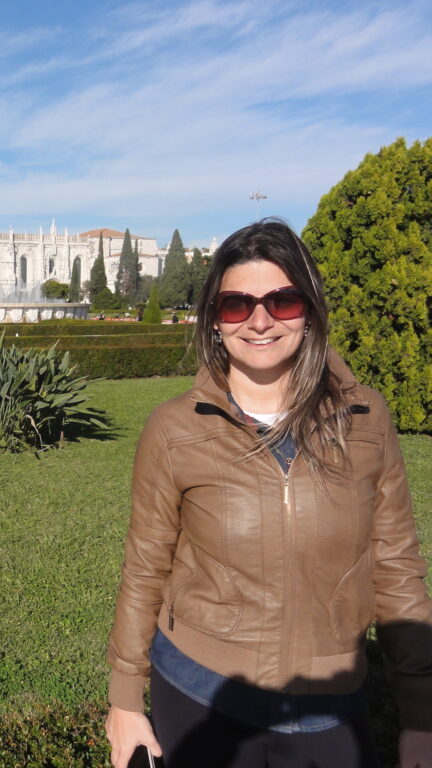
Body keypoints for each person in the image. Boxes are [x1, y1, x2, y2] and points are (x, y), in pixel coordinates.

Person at [104, 219, 432, 767]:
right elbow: (145, 567)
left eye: (282, 300)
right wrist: (124, 699)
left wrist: (421, 715)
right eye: (236, 304)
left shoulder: (366, 419)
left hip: (331, 706)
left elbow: (397, 569)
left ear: (310, 309)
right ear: (214, 319)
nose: (259, 320)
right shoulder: (174, 428)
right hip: (199, 695)